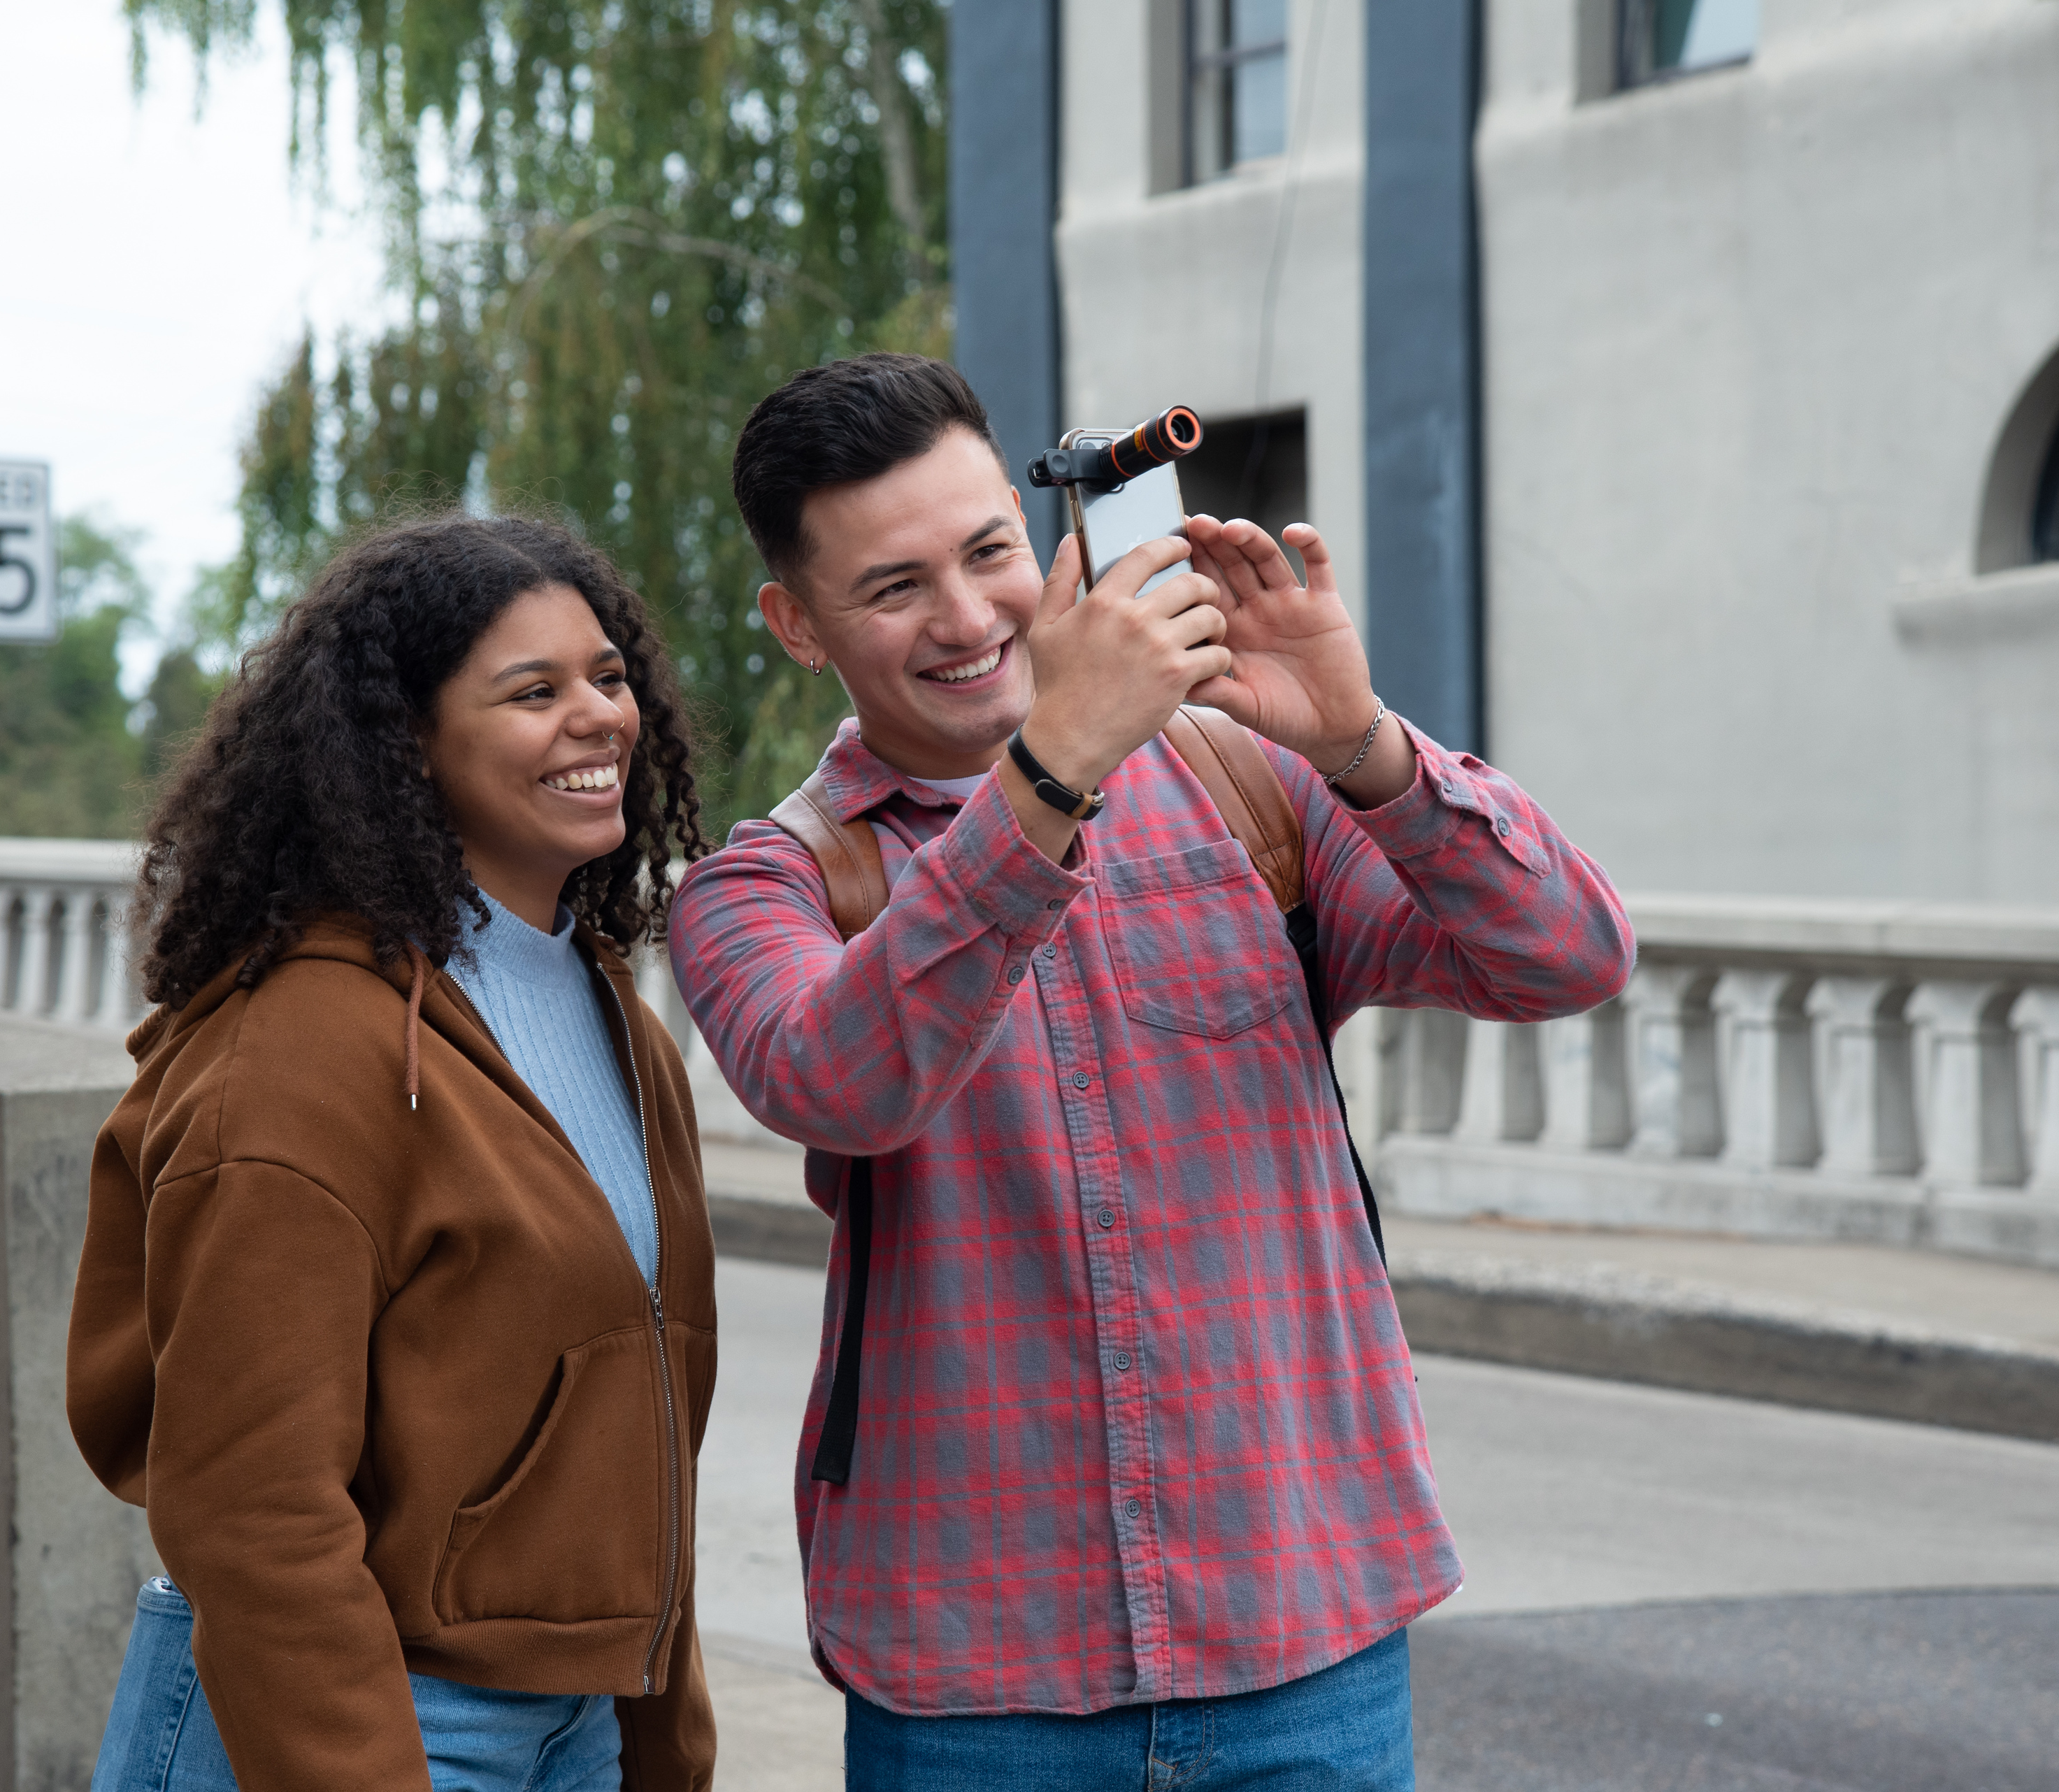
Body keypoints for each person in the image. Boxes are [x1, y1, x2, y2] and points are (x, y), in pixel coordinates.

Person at [667, 352, 1635, 1788]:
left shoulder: (1254, 782)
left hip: (1306, 1638)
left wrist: (1363, 743)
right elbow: (842, 1082)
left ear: (1034, 523)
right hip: (974, 1682)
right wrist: (1052, 773)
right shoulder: (763, 887)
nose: (967, 615)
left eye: (991, 550)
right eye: (893, 587)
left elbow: (1570, 955)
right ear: (796, 623)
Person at [68, 513, 717, 1792]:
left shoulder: (614, 1019)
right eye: (532, 693)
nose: (599, 718)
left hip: (573, 1732)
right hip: (346, 1729)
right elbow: (254, 1511)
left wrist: (663, 1747)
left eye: (607, 675)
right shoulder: (302, 1051)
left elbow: (637, 1427)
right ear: (406, 750)